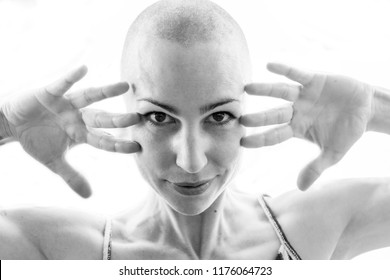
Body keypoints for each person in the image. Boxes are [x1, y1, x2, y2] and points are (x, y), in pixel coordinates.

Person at [0, 0, 389, 260]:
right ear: (123, 113)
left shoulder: (314, 227)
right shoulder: (68, 250)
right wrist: (4, 125)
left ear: (245, 109)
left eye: (219, 117)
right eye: (159, 117)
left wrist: (377, 109)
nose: (191, 160)